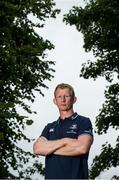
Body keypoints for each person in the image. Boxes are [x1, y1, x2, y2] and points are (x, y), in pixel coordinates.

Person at [33, 83, 93, 179]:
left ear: (74, 99)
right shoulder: (49, 127)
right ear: (55, 101)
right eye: (59, 96)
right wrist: (66, 141)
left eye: (67, 96)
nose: (63, 100)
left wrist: (49, 149)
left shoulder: (83, 121)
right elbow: (37, 148)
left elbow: (82, 148)